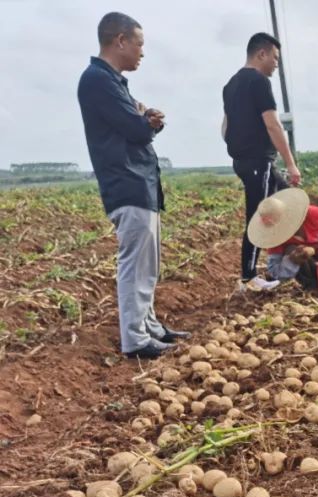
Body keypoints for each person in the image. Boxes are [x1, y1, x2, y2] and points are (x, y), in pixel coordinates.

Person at [77, 12, 188, 360]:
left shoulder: (112, 81)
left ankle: (149, 326)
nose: (142, 52)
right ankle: (136, 339)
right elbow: (137, 130)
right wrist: (145, 121)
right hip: (127, 181)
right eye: (139, 44)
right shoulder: (97, 80)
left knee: (147, 265)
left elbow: (136, 125)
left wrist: (143, 119)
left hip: (140, 182)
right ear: (120, 40)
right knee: (135, 264)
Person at [222, 32, 301, 291]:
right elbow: (273, 124)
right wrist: (290, 163)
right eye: (275, 58)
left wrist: (237, 148)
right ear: (261, 54)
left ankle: (285, 257)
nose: (276, 64)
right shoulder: (258, 81)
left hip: (245, 160)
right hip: (257, 160)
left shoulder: (230, 84)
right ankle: (249, 277)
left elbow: (225, 127)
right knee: (258, 217)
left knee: (282, 198)